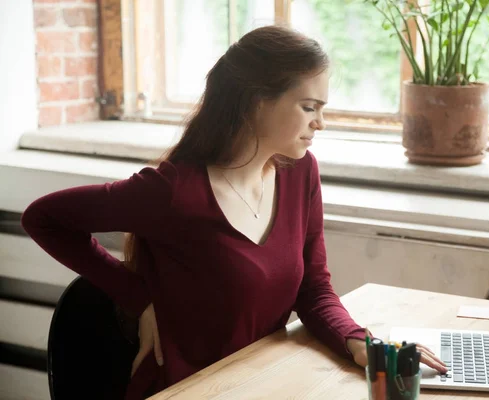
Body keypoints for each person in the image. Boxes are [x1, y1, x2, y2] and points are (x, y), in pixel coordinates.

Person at [21, 25, 446, 399]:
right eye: (309, 107)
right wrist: (139, 298)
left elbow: (314, 291)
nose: (321, 123)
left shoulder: (300, 173)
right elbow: (43, 218)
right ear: (258, 101)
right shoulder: (175, 192)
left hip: (263, 380)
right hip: (191, 389)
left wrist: (362, 343)